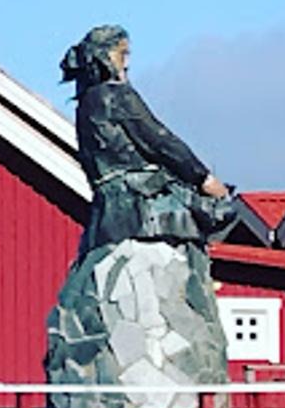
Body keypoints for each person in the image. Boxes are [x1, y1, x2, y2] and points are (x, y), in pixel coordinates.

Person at [60, 23, 231, 253]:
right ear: (106, 58)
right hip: (139, 202)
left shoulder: (84, 107)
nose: (127, 63)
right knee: (211, 219)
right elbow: (159, 140)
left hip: (105, 213)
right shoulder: (116, 95)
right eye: (122, 55)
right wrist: (204, 178)